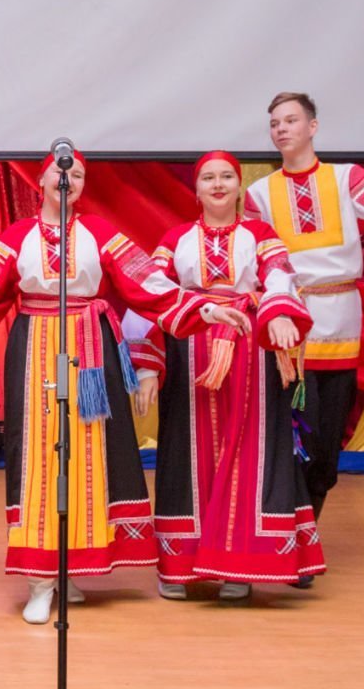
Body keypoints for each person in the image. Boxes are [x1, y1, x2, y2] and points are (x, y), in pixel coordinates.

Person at [0, 150, 244, 624]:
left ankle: (69, 569)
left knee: (87, 455)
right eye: (60, 171)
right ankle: (40, 579)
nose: (68, 180)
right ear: (42, 179)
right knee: (38, 456)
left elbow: (148, 283)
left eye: (79, 175)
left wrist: (205, 309)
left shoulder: (101, 233)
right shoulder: (16, 237)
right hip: (35, 347)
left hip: (91, 349)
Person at [127, 151, 323, 600]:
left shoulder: (260, 234)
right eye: (208, 178)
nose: (217, 184)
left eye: (227, 177)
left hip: (251, 351)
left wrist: (278, 313)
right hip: (188, 348)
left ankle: (239, 565)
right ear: (196, 189)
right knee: (185, 452)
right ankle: (178, 565)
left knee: (249, 454)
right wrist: (147, 365)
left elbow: (279, 275)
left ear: (239, 185)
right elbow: (149, 295)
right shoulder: (175, 238)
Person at [244, 93, 364, 583]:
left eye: (291, 120)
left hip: (341, 323)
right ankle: (289, 544)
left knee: (324, 447)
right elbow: (255, 256)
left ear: (313, 127)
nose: (281, 129)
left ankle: (304, 534)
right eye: (274, 123)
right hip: (289, 324)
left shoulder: (346, 178)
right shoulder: (260, 194)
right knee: (290, 441)